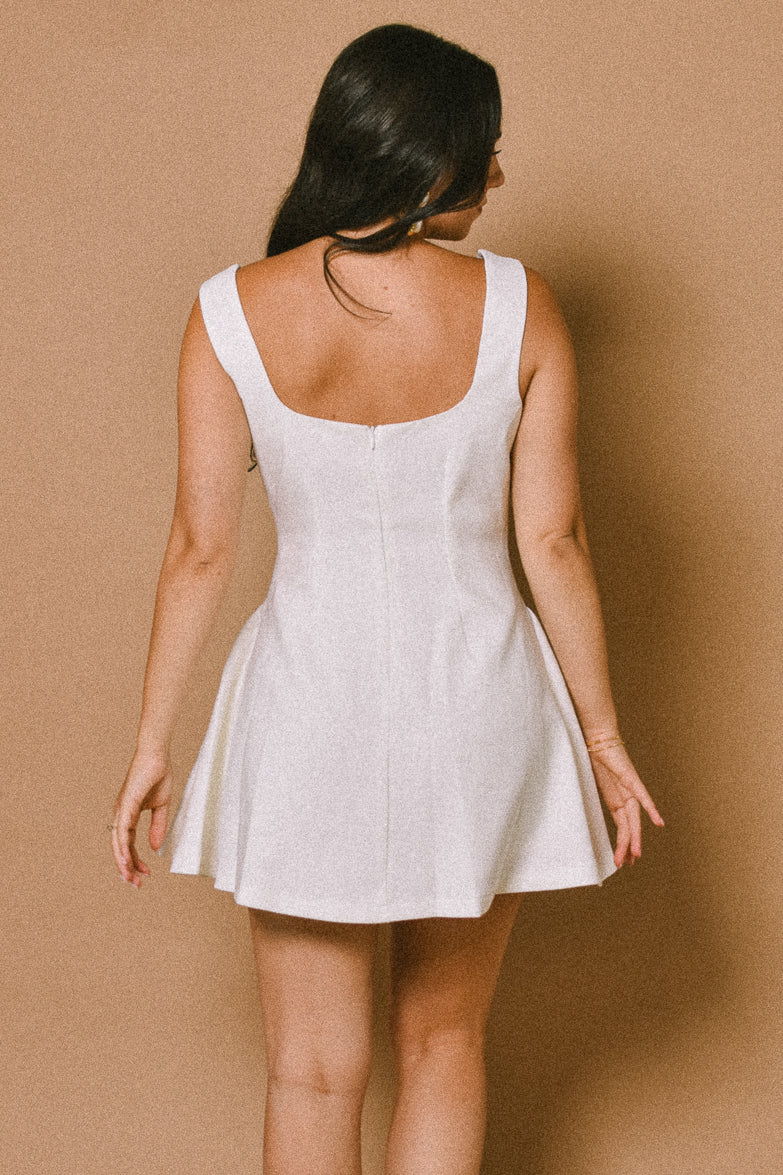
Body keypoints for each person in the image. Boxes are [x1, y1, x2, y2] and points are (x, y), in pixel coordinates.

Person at [109, 23, 664, 1175]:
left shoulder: (228, 312)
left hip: (305, 707)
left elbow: (200, 548)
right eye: (484, 149)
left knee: (310, 1070)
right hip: (478, 702)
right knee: (445, 1043)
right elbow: (553, 540)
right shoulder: (520, 305)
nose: (498, 173)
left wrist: (153, 742)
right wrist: (604, 735)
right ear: (424, 158)